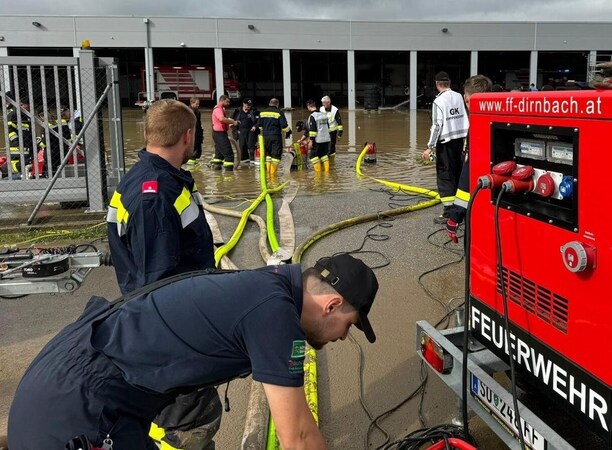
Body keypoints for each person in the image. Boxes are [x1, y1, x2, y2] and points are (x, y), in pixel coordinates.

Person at [7, 253, 380, 450]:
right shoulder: (274, 313)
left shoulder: (268, 286)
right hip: (76, 409)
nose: (343, 338)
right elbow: (297, 438)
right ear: (331, 305)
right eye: (349, 325)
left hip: (66, 374)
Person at [105, 99, 221, 449]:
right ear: (188, 136)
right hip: (175, 333)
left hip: (168, 326)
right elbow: (158, 284)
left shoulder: (151, 180)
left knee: (165, 417)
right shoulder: (154, 194)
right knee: (188, 424)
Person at [446, 75, 493, 244]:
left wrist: (454, 217)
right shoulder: (503, 121)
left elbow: (467, 179)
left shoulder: (477, 128)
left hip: (479, 203)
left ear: (467, 99)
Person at [422, 71, 469, 225]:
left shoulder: (439, 102)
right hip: (462, 142)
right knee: (458, 174)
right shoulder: (459, 97)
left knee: (445, 177)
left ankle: (449, 213)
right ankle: (461, 209)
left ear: (437, 84)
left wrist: (430, 147)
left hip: (445, 143)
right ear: (449, 82)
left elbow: (437, 126)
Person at [257, 97, 291, 176]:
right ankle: (272, 175)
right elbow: (284, 126)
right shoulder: (279, 112)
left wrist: (266, 129)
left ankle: (268, 174)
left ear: (269, 104)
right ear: (277, 104)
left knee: (268, 155)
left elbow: (259, 126)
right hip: (276, 136)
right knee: (276, 156)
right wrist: (288, 131)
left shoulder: (262, 113)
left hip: (265, 136)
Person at [210, 95, 238, 171]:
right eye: (227, 101)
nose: (228, 103)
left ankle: (217, 173)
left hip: (218, 134)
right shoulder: (218, 109)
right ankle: (229, 178)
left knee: (219, 155)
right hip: (219, 134)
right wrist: (233, 122)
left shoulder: (221, 109)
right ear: (222, 100)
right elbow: (221, 119)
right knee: (229, 155)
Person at [305, 99, 331, 172]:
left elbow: (313, 130)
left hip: (318, 140)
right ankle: (327, 173)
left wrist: (311, 141)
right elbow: (328, 127)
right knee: (324, 156)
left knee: (313, 156)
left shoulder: (312, 116)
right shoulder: (324, 115)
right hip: (326, 139)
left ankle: (318, 175)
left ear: (308, 106)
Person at [231, 98, 259, 165]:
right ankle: (244, 163)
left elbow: (259, 121)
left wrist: (255, 126)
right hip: (241, 132)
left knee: (251, 147)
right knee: (242, 147)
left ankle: (252, 163)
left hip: (251, 132)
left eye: (250, 105)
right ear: (243, 104)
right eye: (247, 105)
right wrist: (236, 130)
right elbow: (231, 122)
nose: (249, 106)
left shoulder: (254, 111)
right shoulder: (237, 112)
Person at [320, 95, 343, 160]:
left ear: (328, 102)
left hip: (332, 132)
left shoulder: (335, 110)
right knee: (323, 147)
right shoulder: (321, 109)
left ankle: (331, 161)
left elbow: (339, 123)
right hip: (323, 132)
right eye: (322, 102)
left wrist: (339, 135)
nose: (323, 104)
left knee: (331, 148)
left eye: (324, 103)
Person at [186, 97, 203, 165]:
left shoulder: (198, 112)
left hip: (197, 132)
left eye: (198, 104)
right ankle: (191, 164)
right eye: (196, 104)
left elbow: (199, 123)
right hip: (191, 132)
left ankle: (195, 162)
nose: (198, 105)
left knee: (198, 149)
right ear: (192, 103)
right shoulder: (188, 111)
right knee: (193, 148)